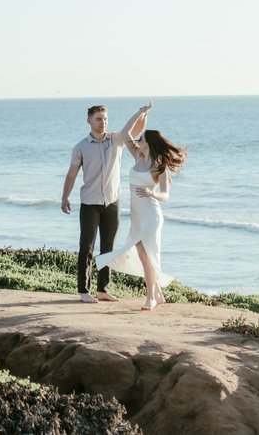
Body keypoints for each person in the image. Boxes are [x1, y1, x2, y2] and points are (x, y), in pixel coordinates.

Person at [94, 102, 187, 310]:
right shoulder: (137, 155)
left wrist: (151, 192)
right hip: (137, 216)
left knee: (148, 255)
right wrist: (140, 112)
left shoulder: (159, 166)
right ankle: (159, 294)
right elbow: (126, 132)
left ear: (149, 143)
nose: (138, 139)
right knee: (143, 254)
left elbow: (165, 195)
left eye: (142, 138)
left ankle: (151, 297)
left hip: (151, 216)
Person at [61, 104, 147, 303]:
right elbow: (72, 174)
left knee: (108, 248)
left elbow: (134, 130)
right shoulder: (80, 147)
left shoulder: (116, 139)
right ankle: (84, 290)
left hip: (112, 202)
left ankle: (103, 290)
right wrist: (65, 197)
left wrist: (142, 113)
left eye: (105, 119)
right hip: (90, 203)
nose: (103, 123)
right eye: (99, 119)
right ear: (89, 121)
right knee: (86, 247)